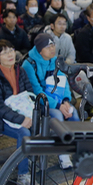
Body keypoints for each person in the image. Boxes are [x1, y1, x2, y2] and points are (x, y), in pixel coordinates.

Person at [22, 33, 78, 168]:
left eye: (53, 45)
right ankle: (63, 155)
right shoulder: (29, 64)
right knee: (58, 116)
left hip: (58, 98)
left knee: (73, 113)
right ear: (40, 50)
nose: (52, 49)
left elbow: (63, 82)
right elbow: (36, 91)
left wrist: (65, 100)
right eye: (48, 47)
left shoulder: (56, 60)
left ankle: (76, 149)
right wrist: (58, 105)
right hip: (40, 101)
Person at [0, 40, 34, 185]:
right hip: (0, 119)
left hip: (23, 111)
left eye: (11, 50)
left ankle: (32, 158)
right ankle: (23, 175)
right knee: (24, 132)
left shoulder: (20, 70)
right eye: (4, 52)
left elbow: (29, 92)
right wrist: (21, 119)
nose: (10, 54)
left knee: (43, 121)